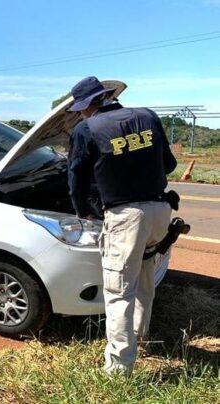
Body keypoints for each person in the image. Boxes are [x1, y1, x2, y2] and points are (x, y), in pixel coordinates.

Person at [66, 76, 177, 376]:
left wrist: (84, 213)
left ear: (87, 105)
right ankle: (141, 337)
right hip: (160, 212)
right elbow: (169, 165)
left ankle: (119, 368)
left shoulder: (86, 129)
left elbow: (76, 182)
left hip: (126, 219)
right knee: (144, 276)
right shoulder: (147, 116)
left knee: (118, 292)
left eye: (80, 109)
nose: (81, 114)